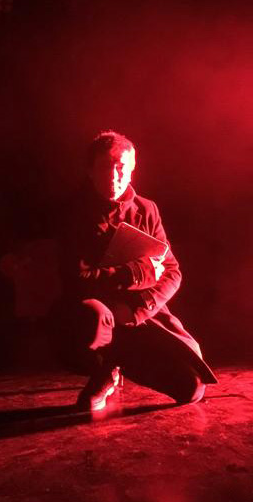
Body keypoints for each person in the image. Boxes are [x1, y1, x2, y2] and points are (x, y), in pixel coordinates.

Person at [51, 130, 217, 411]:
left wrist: (138, 309)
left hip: (137, 314)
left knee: (191, 387)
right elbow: (78, 279)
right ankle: (103, 370)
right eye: (105, 167)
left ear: (132, 170)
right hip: (96, 314)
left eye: (121, 167)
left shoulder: (146, 210)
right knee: (93, 319)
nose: (114, 176)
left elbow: (172, 271)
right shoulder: (73, 213)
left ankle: (119, 361)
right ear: (90, 171)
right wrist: (136, 273)